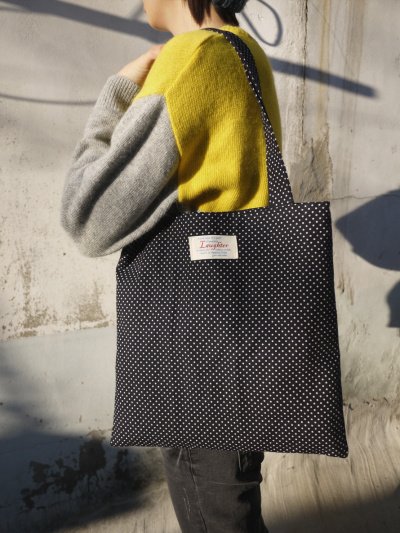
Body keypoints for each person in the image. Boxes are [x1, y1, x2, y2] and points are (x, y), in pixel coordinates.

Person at [60, 0, 283, 531]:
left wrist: (115, 94)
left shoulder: (192, 60)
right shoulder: (246, 51)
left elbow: (86, 218)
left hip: (196, 360)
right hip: (243, 343)